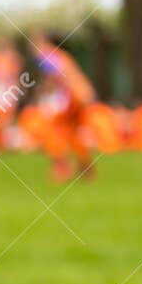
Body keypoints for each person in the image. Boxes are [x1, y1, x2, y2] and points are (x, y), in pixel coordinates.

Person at [32, 31, 98, 182]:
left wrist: (42, 96)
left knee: (53, 128)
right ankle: (85, 167)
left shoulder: (47, 55)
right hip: (82, 95)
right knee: (72, 132)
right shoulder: (60, 55)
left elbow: (55, 78)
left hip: (73, 97)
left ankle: (62, 167)